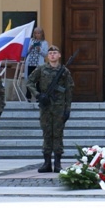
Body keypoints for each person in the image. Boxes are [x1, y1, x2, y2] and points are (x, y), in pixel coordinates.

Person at [26, 45, 74, 173]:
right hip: (46, 107)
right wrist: (38, 95)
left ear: (59, 55)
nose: (52, 55)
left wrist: (68, 109)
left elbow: (69, 91)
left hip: (59, 107)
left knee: (58, 134)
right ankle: (47, 163)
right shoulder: (41, 69)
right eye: (50, 53)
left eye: (55, 53)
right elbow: (29, 82)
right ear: (48, 56)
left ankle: (57, 163)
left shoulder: (64, 71)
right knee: (47, 134)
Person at [24, 27, 48, 102]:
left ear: (41, 34)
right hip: (30, 63)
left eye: (38, 33)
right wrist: (30, 48)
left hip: (38, 64)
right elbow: (25, 52)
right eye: (35, 33)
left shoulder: (44, 42)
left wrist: (39, 49)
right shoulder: (30, 41)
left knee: (38, 80)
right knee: (29, 79)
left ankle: (38, 96)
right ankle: (28, 96)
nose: (37, 35)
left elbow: (45, 54)